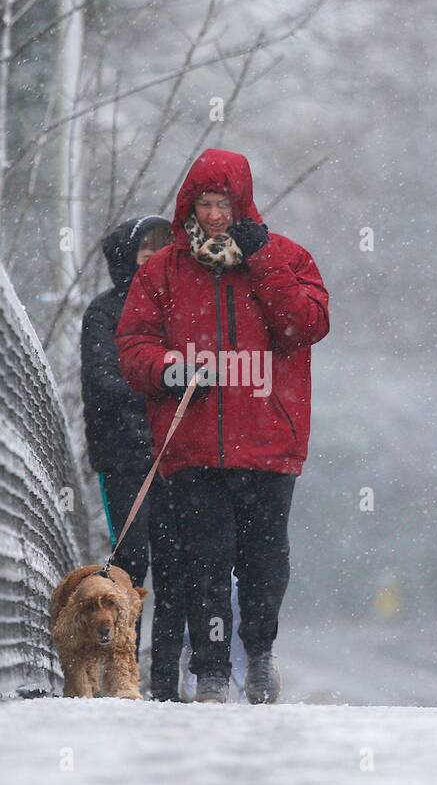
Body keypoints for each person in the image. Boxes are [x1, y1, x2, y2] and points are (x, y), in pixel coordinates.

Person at [115, 148, 330, 703]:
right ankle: (210, 671)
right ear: (190, 205)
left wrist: (265, 266)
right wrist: (171, 368)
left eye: (224, 204)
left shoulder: (287, 258)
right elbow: (134, 345)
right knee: (203, 564)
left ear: (243, 205)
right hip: (193, 446)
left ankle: (259, 655)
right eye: (205, 203)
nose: (214, 215)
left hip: (268, 443)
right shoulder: (162, 271)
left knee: (264, 564)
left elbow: (304, 326)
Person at [80, 214, 185, 700]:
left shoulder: (181, 309)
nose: (153, 256)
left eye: (162, 247)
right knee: (131, 561)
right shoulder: (104, 314)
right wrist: (163, 384)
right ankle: (123, 674)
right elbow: (105, 379)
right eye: (145, 247)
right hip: (124, 457)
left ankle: (165, 678)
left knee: (176, 565)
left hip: (177, 456)